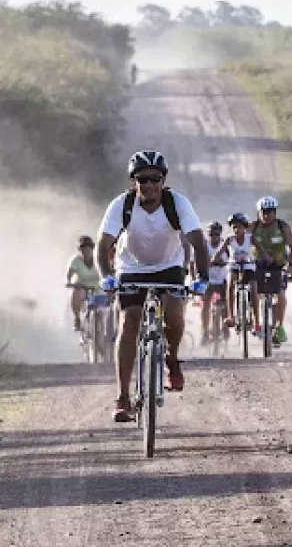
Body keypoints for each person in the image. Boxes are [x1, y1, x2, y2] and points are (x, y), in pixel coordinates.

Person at [95, 150, 209, 422]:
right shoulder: (121, 205)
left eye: (154, 179)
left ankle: (172, 359)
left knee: (174, 312)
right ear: (134, 181)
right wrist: (105, 275)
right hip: (131, 267)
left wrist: (202, 278)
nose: (149, 185)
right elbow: (103, 245)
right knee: (129, 321)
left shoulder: (178, 203)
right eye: (142, 179)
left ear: (163, 179)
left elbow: (198, 241)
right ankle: (123, 398)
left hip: (169, 265)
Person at [250, 196, 292, 345]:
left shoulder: (282, 227)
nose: (266, 215)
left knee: (280, 294)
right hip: (258, 264)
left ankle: (279, 326)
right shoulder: (253, 227)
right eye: (263, 212)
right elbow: (239, 239)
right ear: (258, 212)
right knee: (253, 290)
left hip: (278, 265)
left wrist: (290, 264)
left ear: (275, 212)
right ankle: (255, 322)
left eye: (269, 211)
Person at [213, 212, 267, 336]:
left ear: (245, 227)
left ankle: (256, 322)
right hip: (234, 265)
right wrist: (214, 259)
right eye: (234, 227)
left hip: (248, 265)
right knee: (230, 283)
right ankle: (231, 316)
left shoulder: (250, 238)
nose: (237, 230)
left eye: (239, 227)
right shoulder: (229, 239)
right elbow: (219, 251)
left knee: (253, 287)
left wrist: (265, 257)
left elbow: (260, 249)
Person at [193, 221, 228, 344]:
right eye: (211, 234)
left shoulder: (225, 246)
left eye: (217, 234)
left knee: (227, 302)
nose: (214, 237)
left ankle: (225, 325)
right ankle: (205, 332)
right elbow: (194, 263)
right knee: (205, 303)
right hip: (208, 280)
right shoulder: (203, 247)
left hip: (222, 280)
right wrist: (195, 280)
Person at [66, 235, 101, 330]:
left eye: (88, 249)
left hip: (99, 288)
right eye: (83, 249)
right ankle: (77, 318)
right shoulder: (76, 260)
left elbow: (108, 271)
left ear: (92, 249)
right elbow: (69, 274)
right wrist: (68, 282)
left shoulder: (99, 259)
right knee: (76, 293)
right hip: (82, 286)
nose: (85, 252)